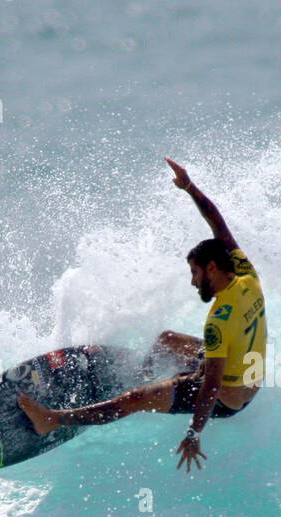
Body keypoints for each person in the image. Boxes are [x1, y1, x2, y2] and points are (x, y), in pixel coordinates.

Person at [18, 157, 267, 472]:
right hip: (249, 379)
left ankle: (50, 420)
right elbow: (218, 225)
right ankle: (144, 378)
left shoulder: (219, 321)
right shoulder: (247, 275)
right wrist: (189, 188)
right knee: (167, 340)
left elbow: (211, 385)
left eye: (195, 273)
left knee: (133, 400)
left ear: (213, 268)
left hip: (227, 399)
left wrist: (194, 432)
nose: (192, 281)